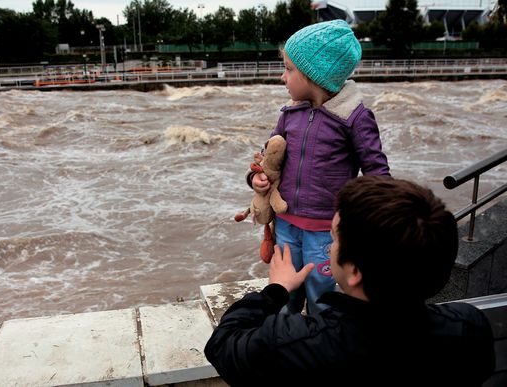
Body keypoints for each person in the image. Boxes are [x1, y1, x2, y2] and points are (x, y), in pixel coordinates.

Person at [205, 176, 496, 386]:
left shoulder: (298, 344)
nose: (329, 248)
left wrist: (275, 289)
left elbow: (222, 345)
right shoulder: (468, 328)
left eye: (334, 238)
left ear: (355, 270)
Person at [248, 20, 390, 314]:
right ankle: (287, 334)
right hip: (286, 222)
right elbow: (268, 160)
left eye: (288, 69)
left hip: (327, 230)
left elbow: (377, 174)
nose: (282, 76)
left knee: (322, 294)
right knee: (285, 290)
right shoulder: (290, 113)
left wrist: (374, 222)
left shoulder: (354, 118)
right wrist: (256, 178)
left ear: (314, 75)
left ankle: (321, 343)